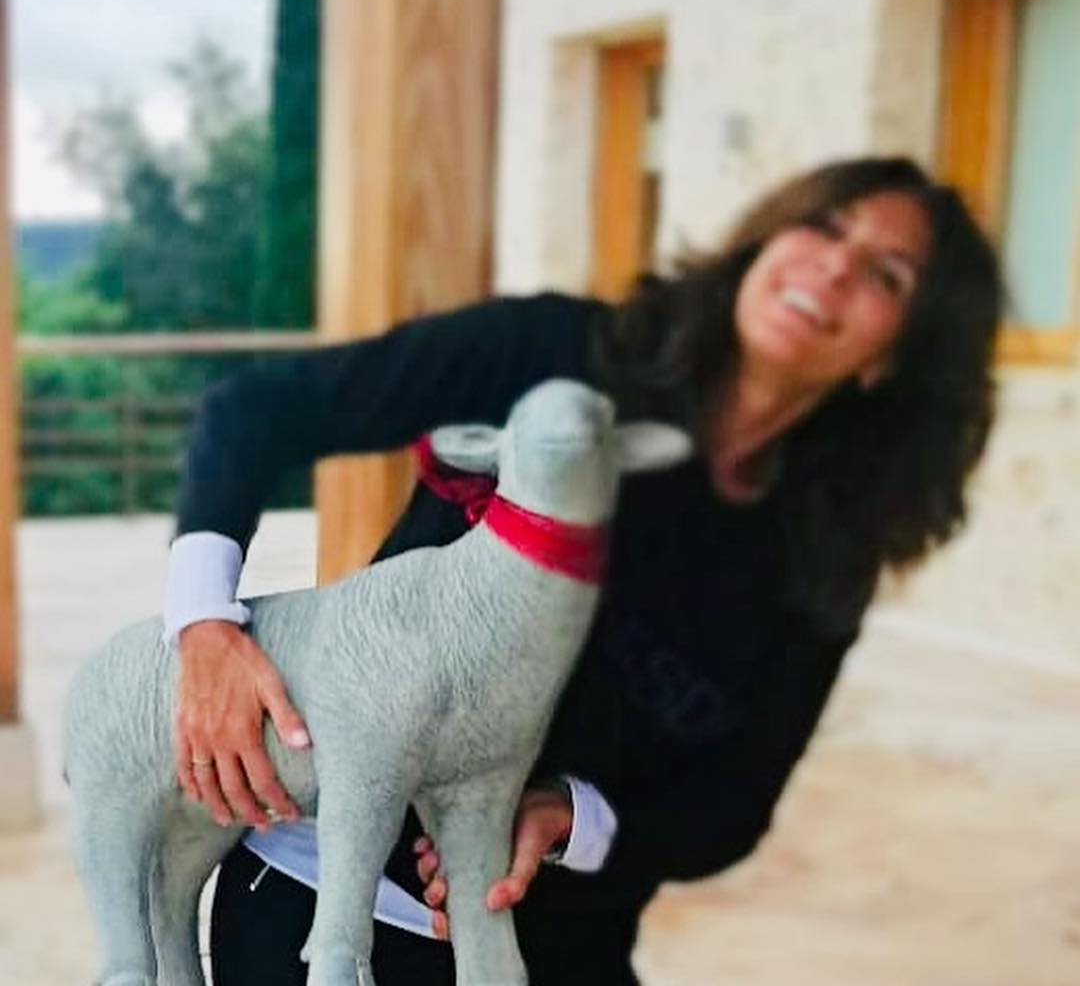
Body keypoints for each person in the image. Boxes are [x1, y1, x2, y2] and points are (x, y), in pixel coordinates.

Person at [163, 156, 1003, 984]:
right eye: (825, 227)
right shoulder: (551, 355)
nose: (836, 268)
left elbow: (732, 805)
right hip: (318, 915)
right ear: (765, 245)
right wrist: (205, 627)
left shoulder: (824, 550)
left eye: (887, 276)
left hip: (555, 946)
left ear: (892, 358)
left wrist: (570, 815)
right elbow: (253, 414)